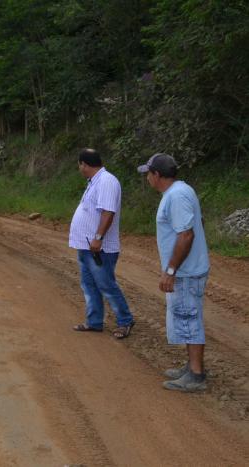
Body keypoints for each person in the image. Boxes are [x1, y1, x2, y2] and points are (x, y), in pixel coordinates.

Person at [138, 153, 210, 392]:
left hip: (186, 272)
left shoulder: (177, 196)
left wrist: (170, 270)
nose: (147, 178)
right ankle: (192, 367)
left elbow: (186, 235)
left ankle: (196, 375)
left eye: (148, 174)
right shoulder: (180, 190)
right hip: (187, 269)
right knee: (186, 317)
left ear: (157, 175)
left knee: (189, 319)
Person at [69, 149, 135, 338]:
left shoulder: (106, 181)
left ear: (84, 164)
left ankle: (125, 320)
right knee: (89, 285)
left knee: (106, 284)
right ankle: (94, 321)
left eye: (80, 165)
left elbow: (108, 212)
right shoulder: (95, 181)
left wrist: (98, 237)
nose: (80, 168)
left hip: (99, 247)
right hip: (87, 245)